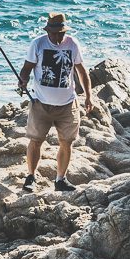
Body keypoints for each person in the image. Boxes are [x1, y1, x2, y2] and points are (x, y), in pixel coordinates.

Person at [18, 12, 93, 192]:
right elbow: (26, 69)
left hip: (68, 104)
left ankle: (60, 180)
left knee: (66, 142)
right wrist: (22, 81)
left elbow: (82, 72)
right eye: (55, 33)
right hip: (41, 104)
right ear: (48, 31)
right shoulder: (38, 44)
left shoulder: (72, 44)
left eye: (61, 33)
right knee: (35, 141)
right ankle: (30, 177)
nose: (58, 37)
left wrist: (89, 96)